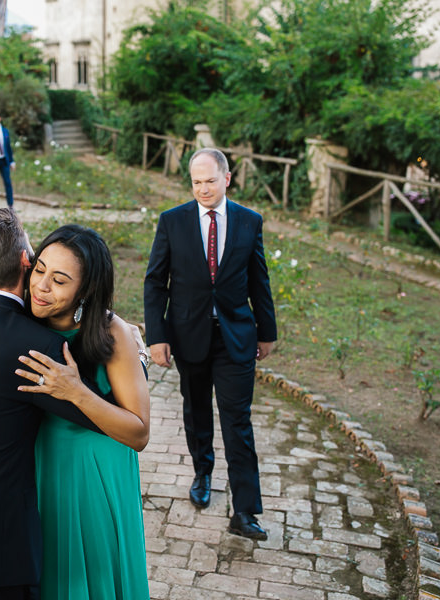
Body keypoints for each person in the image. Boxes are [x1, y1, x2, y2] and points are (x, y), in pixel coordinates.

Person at [0, 221, 151, 599]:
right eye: (39, 270)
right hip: (33, 470)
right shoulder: (25, 317)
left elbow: (139, 432)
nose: (41, 286)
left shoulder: (111, 330)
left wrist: (78, 391)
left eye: (59, 280)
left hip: (89, 473)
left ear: (85, 289)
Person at [143, 147, 277, 541]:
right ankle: (203, 472)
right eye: (196, 182)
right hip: (189, 335)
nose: (203, 189)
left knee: (238, 421)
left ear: (227, 178)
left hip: (236, 335)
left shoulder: (249, 222)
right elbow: (155, 282)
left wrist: (267, 331)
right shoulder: (172, 222)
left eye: (210, 181)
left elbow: (259, 281)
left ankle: (246, 510)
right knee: (197, 408)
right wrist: (158, 337)